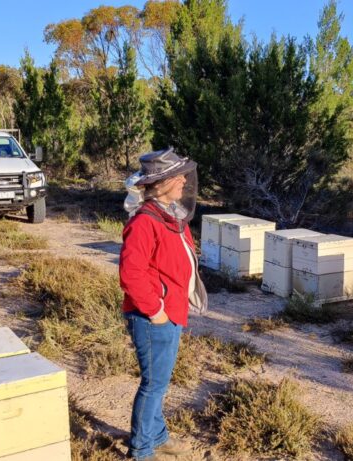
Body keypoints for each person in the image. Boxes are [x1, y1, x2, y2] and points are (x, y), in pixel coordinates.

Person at [119, 148, 208, 460]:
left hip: (170, 311)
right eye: (178, 176)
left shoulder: (169, 214)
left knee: (159, 381)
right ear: (163, 182)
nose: (184, 180)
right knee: (153, 385)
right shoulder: (145, 221)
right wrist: (155, 311)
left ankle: (156, 436)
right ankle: (142, 450)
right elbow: (131, 273)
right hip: (152, 316)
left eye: (184, 174)